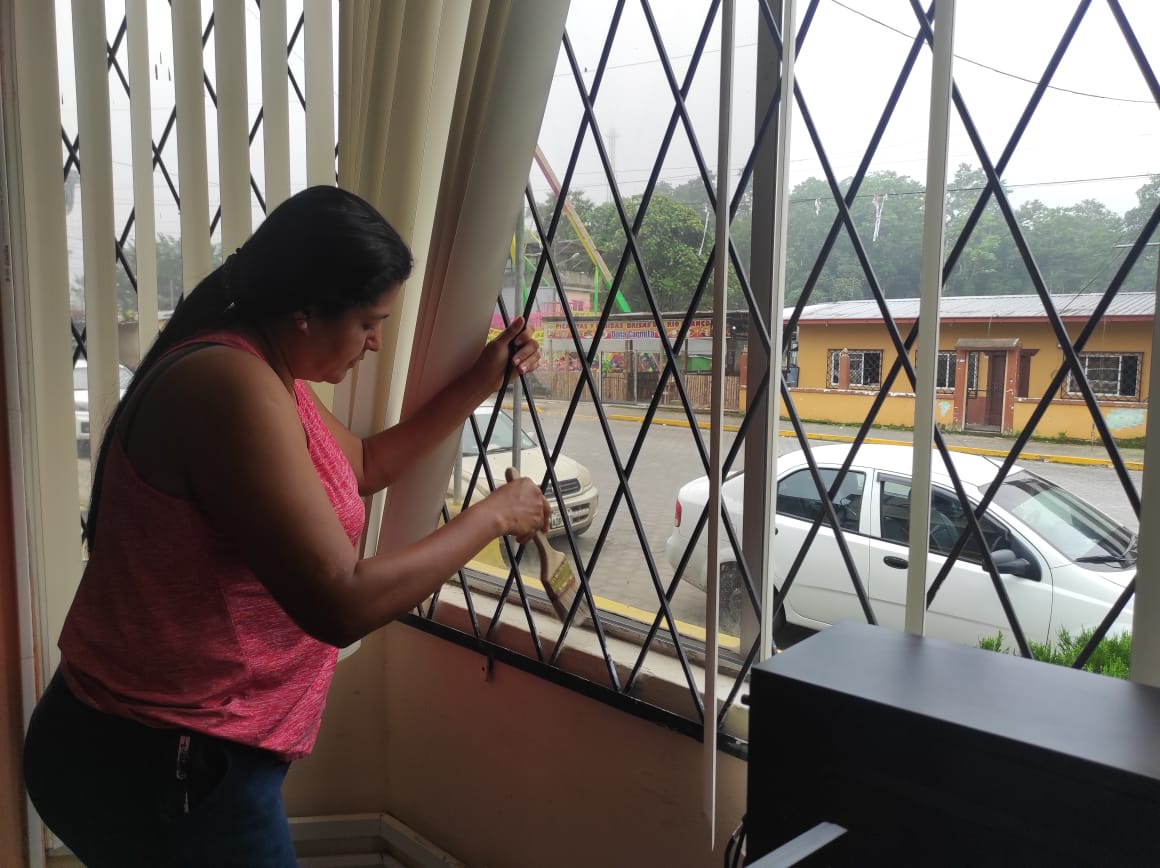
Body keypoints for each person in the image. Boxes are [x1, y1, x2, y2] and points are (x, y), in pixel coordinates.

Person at [22, 185, 550, 867]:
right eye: (368, 322)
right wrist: (494, 515)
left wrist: (480, 380)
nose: (375, 343)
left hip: (161, 750)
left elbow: (364, 464)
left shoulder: (266, 373)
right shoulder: (229, 385)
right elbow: (340, 601)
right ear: (304, 313)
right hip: (164, 763)